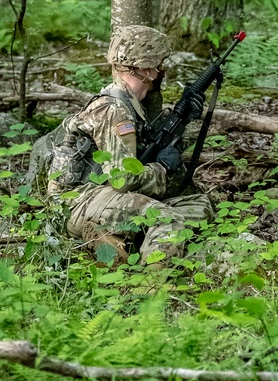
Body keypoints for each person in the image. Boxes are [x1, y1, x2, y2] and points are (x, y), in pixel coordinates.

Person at [39, 25, 212, 261]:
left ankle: (120, 241)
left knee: (198, 204)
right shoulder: (113, 110)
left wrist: (186, 123)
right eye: (160, 64)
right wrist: (161, 169)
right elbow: (124, 179)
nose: (162, 70)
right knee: (165, 217)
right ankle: (150, 285)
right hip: (77, 202)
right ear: (147, 69)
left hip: (100, 197)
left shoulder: (132, 105)